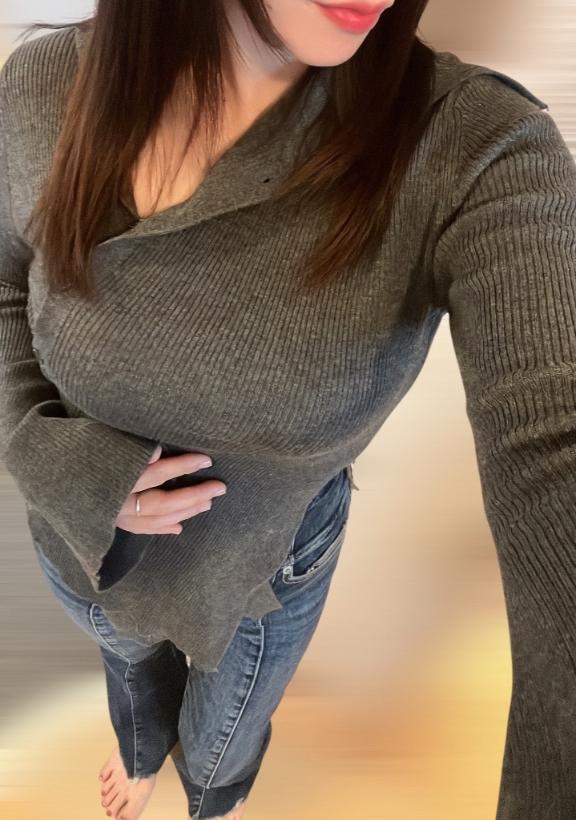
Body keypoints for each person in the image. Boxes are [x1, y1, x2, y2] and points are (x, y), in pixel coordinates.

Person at [1, 1, 574, 819]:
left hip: (265, 573)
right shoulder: (42, 87)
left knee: (226, 730)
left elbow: (553, 442)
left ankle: (214, 795)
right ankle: (139, 751)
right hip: (86, 539)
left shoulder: (468, 150)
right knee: (128, 671)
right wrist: (48, 453)